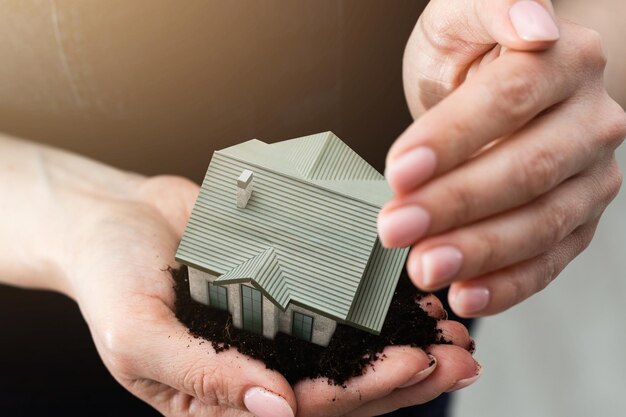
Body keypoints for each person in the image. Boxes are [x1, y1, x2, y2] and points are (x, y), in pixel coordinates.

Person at [0, 1, 624, 417]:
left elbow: (585, 17)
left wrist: (533, 82)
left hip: (422, 201)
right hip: (38, 320)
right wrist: (71, 216)